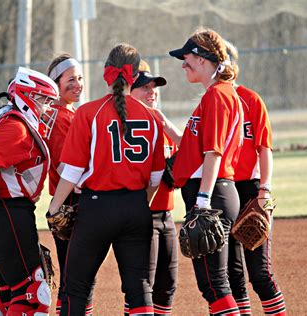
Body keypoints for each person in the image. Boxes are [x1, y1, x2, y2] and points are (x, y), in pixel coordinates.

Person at [47, 43, 166, 316]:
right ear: (134, 77)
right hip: (137, 208)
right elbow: (156, 178)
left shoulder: (89, 113)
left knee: (75, 287)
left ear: (106, 74)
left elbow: (72, 171)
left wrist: (53, 208)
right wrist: (138, 203)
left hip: (97, 208)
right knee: (139, 288)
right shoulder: (152, 117)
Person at [0, 67, 59, 316]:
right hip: (6, 211)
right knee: (31, 294)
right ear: (25, 95)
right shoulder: (17, 126)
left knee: (11, 293)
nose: (47, 107)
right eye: (43, 99)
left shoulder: (5, 117)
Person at [167, 28, 243, 315]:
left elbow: (213, 153)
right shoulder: (217, 94)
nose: (183, 65)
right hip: (215, 193)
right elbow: (195, 149)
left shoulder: (217, 96)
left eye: (186, 58)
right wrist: (162, 123)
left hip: (211, 196)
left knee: (214, 284)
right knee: (220, 282)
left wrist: (202, 201)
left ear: (201, 58)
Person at [225, 40, 287, 315]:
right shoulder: (210, 103)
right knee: (232, 275)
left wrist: (264, 192)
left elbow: (265, 149)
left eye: (224, 60)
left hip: (251, 190)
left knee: (260, 274)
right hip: (223, 191)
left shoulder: (251, 100)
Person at [126, 59, 178, 316]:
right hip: (141, 217)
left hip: (166, 215)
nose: (152, 91)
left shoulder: (162, 124)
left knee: (168, 285)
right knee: (142, 288)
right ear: (129, 92)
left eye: (154, 86)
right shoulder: (128, 128)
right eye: (144, 87)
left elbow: (187, 158)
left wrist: (168, 126)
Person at [44, 53, 94, 316]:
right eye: (70, 79)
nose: (78, 84)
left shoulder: (64, 113)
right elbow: (67, 170)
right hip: (71, 201)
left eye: (80, 77)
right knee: (77, 277)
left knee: (73, 275)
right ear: (55, 83)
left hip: (63, 199)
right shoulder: (62, 116)